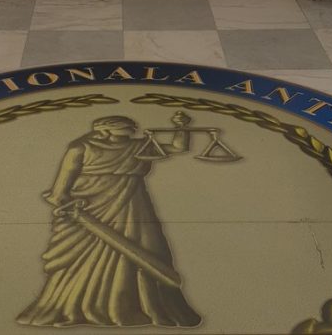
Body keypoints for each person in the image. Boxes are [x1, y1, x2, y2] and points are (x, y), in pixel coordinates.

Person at [17, 115, 201, 327]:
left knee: (146, 246)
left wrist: (181, 127)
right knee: (82, 255)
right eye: (123, 129)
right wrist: (67, 205)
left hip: (132, 204)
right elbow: (59, 190)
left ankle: (140, 306)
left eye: (129, 129)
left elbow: (177, 148)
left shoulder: (139, 146)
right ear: (103, 130)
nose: (130, 131)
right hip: (90, 207)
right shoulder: (80, 148)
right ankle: (73, 306)